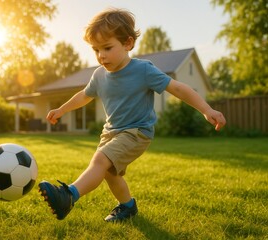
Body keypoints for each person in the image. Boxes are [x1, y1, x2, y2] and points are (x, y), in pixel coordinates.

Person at [38, 8, 226, 222]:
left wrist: (206, 109)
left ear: (128, 43)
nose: (101, 56)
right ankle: (127, 206)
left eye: (107, 48)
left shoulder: (143, 70)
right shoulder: (99, 75)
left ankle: (68, 196)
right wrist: (61, 109)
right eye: (96, 50)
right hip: (111, 132)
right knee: (110, 173)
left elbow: (178, 88)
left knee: (100, 161)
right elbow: (84, 95)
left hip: (137, 132)